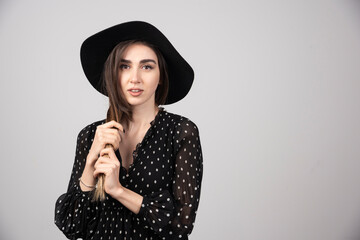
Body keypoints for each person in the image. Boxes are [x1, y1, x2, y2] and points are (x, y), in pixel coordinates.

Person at [54, 21, 203, 240]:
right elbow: (71, 225)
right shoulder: (90, 135)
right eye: (125, 66)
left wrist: (118, 190)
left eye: (147, 66)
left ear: (161, 76)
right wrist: (90, 164)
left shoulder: (180, 132)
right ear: (113, 74)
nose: (135, 78)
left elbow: (180, 224)